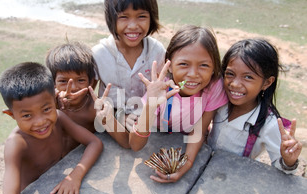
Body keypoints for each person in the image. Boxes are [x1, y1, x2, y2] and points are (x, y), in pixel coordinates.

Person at [0, 62, 103, 194]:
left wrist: (76, 174)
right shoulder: (16, 143)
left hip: (60, 191)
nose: (40, 121)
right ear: (11, 115)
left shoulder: (60, 118)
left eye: (46, 109)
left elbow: (94, 143)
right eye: (27, 115)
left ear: (54, 98)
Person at [129, 25, 228, 183]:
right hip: (155, 129)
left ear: (214, 67)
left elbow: (199, 131)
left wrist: (186, 165)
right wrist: (151, 105)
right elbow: (135, 145)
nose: (193, 74)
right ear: (169, 64)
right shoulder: (161, 87)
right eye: (184, 64)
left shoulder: (214, 86)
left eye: (204, 65)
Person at [207, 38, 302, 174]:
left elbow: (283, 170)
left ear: (267, 83)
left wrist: (288, 161)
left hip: (233, 178)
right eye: (230, 74)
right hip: (204, 168)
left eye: (248, 77)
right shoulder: (219, 99)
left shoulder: (269, 125)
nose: (235, 84)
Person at [92, 0, 166, 132]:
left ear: (151, 17)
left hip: (150, 128)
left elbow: (166, 93)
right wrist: (119, 117)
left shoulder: (157, 52)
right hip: (110, 129)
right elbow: (87, 100)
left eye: (141, 16)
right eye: (123, 17)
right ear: (111, 18)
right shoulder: (99, 55)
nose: (133, 26)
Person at [46, 42, 130, 148]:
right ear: (53, 83)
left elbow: (126, 142)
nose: (72, 87)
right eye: (63, 81)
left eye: (80, 80)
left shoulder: (94, 108)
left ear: (90, 82)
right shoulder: (49, 104)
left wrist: (108, 119)